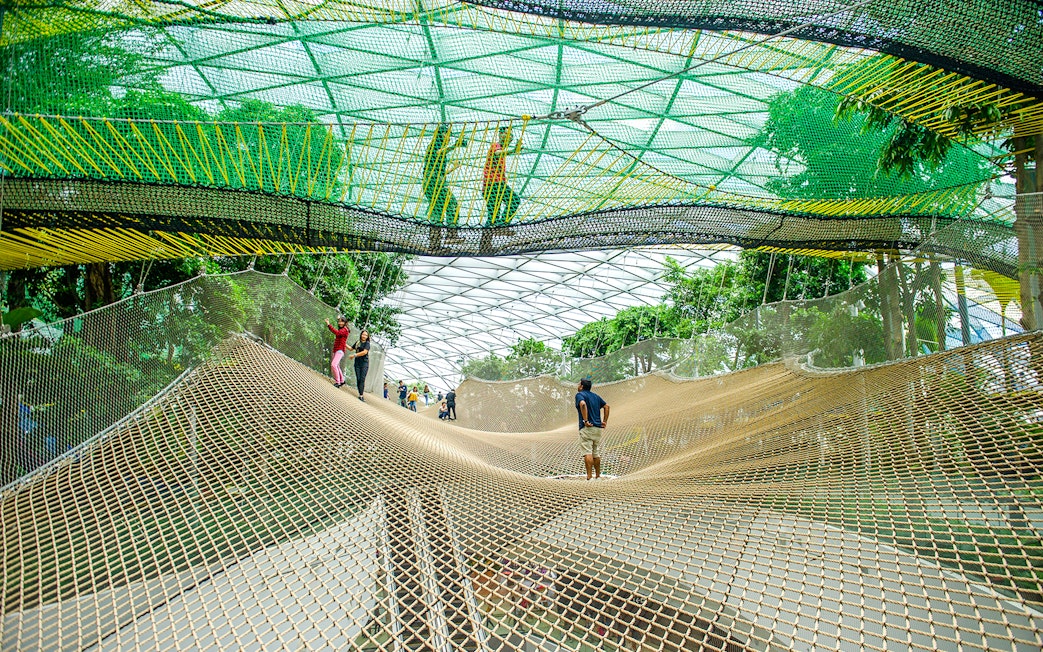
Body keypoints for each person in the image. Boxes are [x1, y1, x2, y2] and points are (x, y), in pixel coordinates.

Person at [423, 124, 468, 250]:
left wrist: (453, 168)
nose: (448, 137)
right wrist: (455, 145)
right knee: (452, 204)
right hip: (434, 184)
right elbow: (438, 153)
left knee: (437, 212)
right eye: (446, 134)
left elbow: (439, 171)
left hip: (433, 183)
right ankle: (451, 234)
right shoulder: (435, 146)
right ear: (441, 135)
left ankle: (434, 245)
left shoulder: (440, 149)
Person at [483, 126, 522, 227]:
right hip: (493, 185)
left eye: (511, 136)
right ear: (500, 135)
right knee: (513, 200)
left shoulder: (502, 149)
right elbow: (497, 153)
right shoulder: (495, 146)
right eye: (507, 134)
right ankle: (503, 224)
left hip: (496, 185)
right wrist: (513, 150)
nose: (510, 137)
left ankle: (500, 226)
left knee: (493, 216)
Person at [575, 378, 610, 480]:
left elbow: (583, 404)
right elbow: (607, 406)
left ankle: (589, 477)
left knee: (587, 452)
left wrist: (585, 421)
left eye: (578, 384)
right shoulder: (595, 396)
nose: (577, 386)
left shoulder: (580, 395)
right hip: (597, 429)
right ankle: (598, 476)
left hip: (587, 428)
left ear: (581, 386)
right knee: (595, 452)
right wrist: (605, 421)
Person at [325, 317, 350, 387]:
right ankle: (342, 380)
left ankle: (338, 382)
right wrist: (338, 318)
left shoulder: (345, 330)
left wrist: (328, 324)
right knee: (337, 365)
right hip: (336, 349)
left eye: (342, 322)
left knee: (333, 365)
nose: (340, 323)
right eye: (339, 322)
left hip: (340, 350)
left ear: (345, 323)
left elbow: (337, 333)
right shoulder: (342, 329)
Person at [349, 330, 371, 402]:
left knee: (362, 379)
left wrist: (355, 355)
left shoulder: (367, 343)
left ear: (367, 337)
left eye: (366, 335)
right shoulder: (358, 342)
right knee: (358, 379)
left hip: (364, 363)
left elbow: (364, 352)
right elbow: (351, 349)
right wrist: (343, 343)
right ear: (361, 335)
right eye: (363, 334)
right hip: (357, 363)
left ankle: (361, 395)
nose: (364, 336)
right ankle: (360, 393)